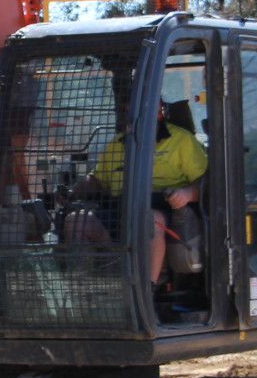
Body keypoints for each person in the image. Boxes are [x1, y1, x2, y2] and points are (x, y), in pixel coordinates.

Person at [69, 98, 207, 282]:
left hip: (163, 207)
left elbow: (207, 184)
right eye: (130, 111)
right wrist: (74, 191)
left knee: (150, 220)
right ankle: (89, 284)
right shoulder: (117, 145)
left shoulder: (182, 141)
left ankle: (147, 289)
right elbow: (97, 180)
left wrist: (186, 194)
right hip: (120, 208)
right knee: (75, 221)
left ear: (159, 111)